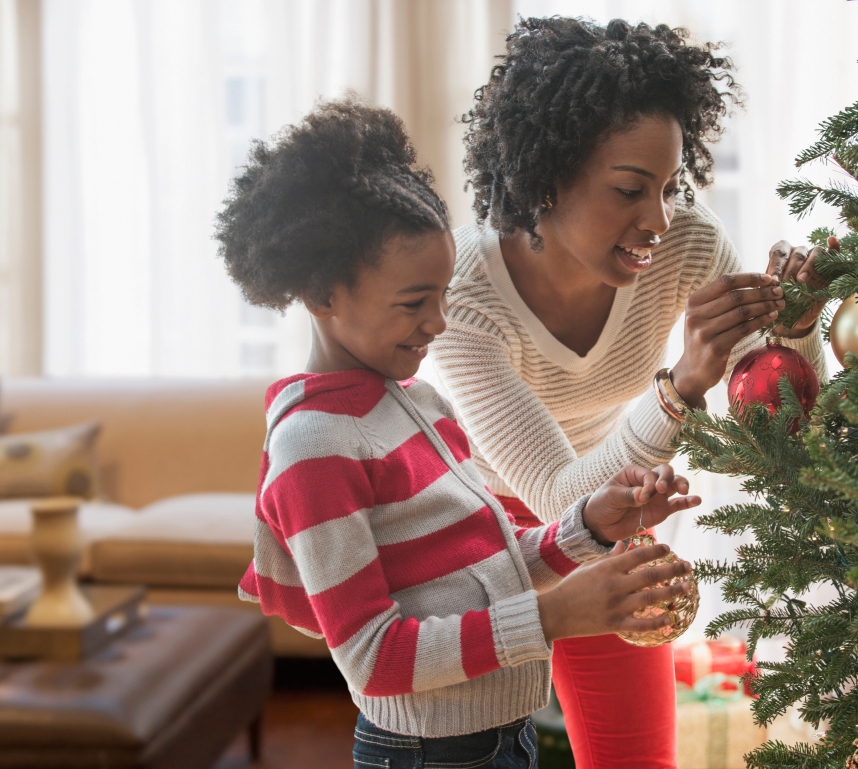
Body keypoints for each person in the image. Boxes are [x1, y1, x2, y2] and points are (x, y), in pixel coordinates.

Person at [216, 96, 702, 769]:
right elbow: (374, 656)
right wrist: (557, 617)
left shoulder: (419, 402)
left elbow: (485, 575)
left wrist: (589, 525)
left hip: (501, 735)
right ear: (325, 295)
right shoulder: (314, 447)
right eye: (414, 302)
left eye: (443, 294)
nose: (439, 322)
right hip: (425, 753)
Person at [430, 17, 837, 769]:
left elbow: (776, 434)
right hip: (470, 523)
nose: (656, 219)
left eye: (668, 186)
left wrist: (798, 331)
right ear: (543, 177)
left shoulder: (686, 242)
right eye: (628, 190)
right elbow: (557, 496)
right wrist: (680, 386)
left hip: (609, 506)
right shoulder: (464, 292)